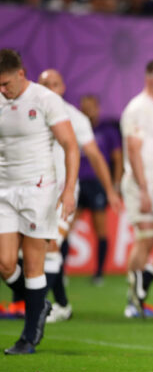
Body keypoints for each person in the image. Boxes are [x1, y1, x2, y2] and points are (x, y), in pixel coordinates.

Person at [0, 49, 79, 354]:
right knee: (5, 264)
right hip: (4, 190)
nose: (3, 90)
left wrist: (68, 189)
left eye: (6, 83)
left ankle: (28, 338)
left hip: (39, 190)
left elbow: (70, 145)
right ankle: (39, 303)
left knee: (34, 264)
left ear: (21, 74)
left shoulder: (45, 100)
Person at [37, 69, 122, 322]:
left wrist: (110, 190)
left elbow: (95, 156)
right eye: (45, 84)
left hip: (63, 192)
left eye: (55, 84)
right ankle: (61, 304)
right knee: (27, 253)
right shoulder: (26, 113)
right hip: (30, 193)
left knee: (51, 245)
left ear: (63, 88)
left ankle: (37, 307)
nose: (50, 88)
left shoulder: (74, 118)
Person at [120, 60, 153, 318]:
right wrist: (143, 189)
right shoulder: (138, 108)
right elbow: (133, 150)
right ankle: (132, 301)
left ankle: (139, 294)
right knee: (145, 239)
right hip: (140, 183)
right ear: (148, 78)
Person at [77, 94, 123, 285]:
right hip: (76, 183)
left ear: (97, 108)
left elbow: (118, 159)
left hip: (97, 183)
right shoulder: (75, 127)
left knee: (100, 229)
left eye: (90, 107)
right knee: (64, 228)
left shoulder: (107, 131)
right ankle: (58, 272)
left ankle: (99, 273)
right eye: (84, 107)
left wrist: (115, 185)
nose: (87, 111)